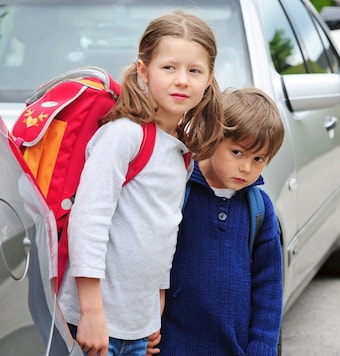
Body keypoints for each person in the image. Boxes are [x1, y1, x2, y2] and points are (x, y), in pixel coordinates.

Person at [56, 10, 225, 356]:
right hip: (92, 324)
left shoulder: (181, 149)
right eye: (169, 68)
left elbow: (162, 232)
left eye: (194, 71)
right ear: (144, 71)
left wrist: (153, 313)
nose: (182, 80)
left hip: (138, 328)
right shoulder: (124, 136)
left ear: (208, 79)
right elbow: (89, 222)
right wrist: (90, 313)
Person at [150, 87, 286, 355]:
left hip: (234, 348)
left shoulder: (260, 209)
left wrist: (262, 347)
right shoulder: (178, 189)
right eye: (237, 152)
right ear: (214, 138)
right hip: (173, 345)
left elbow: (269, 287)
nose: (247, 168)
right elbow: (149, 260)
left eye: (258, 159)